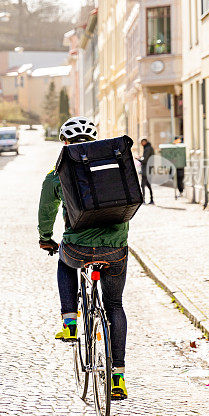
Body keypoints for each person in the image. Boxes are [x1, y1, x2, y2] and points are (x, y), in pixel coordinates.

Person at [38, 116, 130, 401]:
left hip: (77, 248)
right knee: (114, 304)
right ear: (95, 141)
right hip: (115, 250)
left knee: (64, 261)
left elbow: (47, 211)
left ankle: (70, 322)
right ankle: (118, 378)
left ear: (65, 143)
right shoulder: (113, 164)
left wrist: (45, 238)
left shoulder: (57, 173)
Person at [139, 139, 155, 204]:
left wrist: (139, 159)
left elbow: (145, 160)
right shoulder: (148, 147)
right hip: (148, 169)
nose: (141, 144)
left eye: (142, 142)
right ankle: (151, 199)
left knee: (143, 185)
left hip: (146, 169)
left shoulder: (148, 148)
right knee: (148, 185)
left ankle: (143, 200)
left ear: (145, 142)